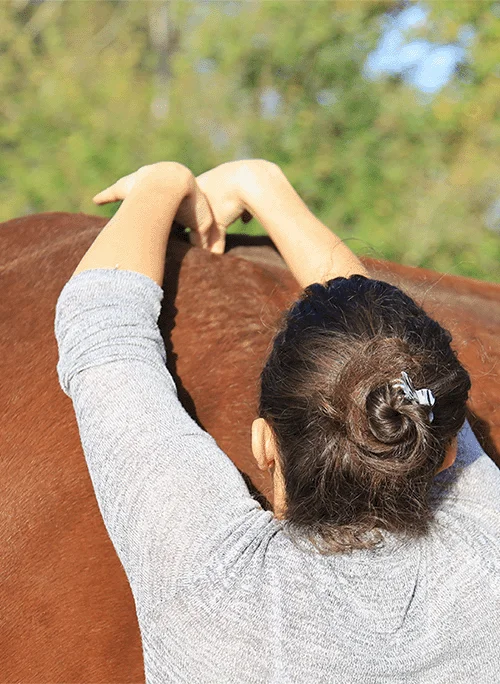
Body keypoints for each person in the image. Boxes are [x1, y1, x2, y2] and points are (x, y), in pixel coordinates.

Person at [55, 159, 500, 683]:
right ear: (446, 452)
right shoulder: (488, 551)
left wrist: (166, 183)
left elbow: (102, 335)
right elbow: (392, 349)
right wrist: (258, 187)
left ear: (264, 444)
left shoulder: (212, 587)